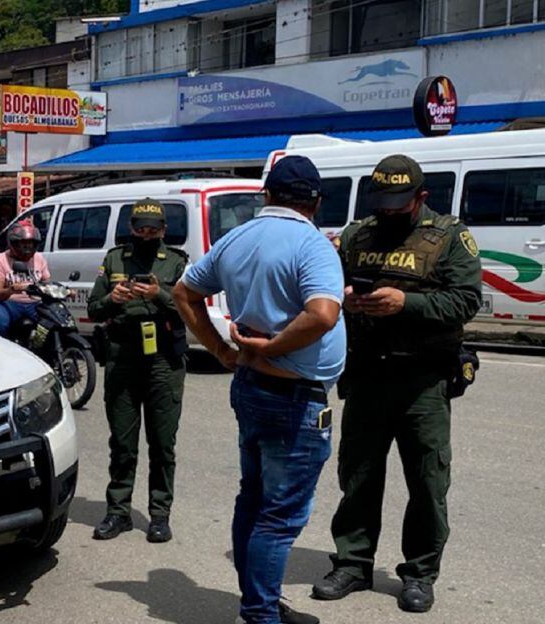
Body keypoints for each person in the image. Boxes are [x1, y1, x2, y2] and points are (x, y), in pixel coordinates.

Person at [173, 156, 346, 624]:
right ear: (315, 201)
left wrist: (222, 351)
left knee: (253, 497)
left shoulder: (238, 237)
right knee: (280, 514)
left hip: (250, 385)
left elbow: (183, 294)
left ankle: (260, 603)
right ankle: (260, 614)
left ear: (266, 194)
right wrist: (275, 345)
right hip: (293, 396)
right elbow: (323, 314)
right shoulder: (313, 245)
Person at [311, 155, 482, 614]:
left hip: (422, 380)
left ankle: (420, 574)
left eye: (398, 204)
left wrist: (406, 302)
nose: (388, 211)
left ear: (421, 197)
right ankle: (352, 563)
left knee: (427, 482)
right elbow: (327, 286)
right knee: (359, 477)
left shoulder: (449, 237)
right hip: (367, 375)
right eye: (381, 202)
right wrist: (343, 296)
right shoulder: (356, 234)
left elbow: (466, 301)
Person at [88, 199, 188, 544]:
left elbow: (190, 309)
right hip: (122, 355)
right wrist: (113, 299)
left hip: (163, 359)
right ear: (131, 229)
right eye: (140, 229)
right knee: (122, 441)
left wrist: (159, 293)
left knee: (162, 443)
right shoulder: (115, 259)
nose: (146, 235)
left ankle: (159, 514)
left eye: (153, 230)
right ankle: (118, 512)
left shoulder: (176, 262)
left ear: (163, 230)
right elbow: (94, 309)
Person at [0, 220, 50, 337]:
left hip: (35, 304)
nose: (28, 247)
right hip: (10, 304)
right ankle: (0, 351)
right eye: (24, 243)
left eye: (31, 243)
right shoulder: (1, 260)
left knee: (53, 321)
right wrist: (11, 290)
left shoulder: (39, 258)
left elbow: (47, 282)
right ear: (14, 244)